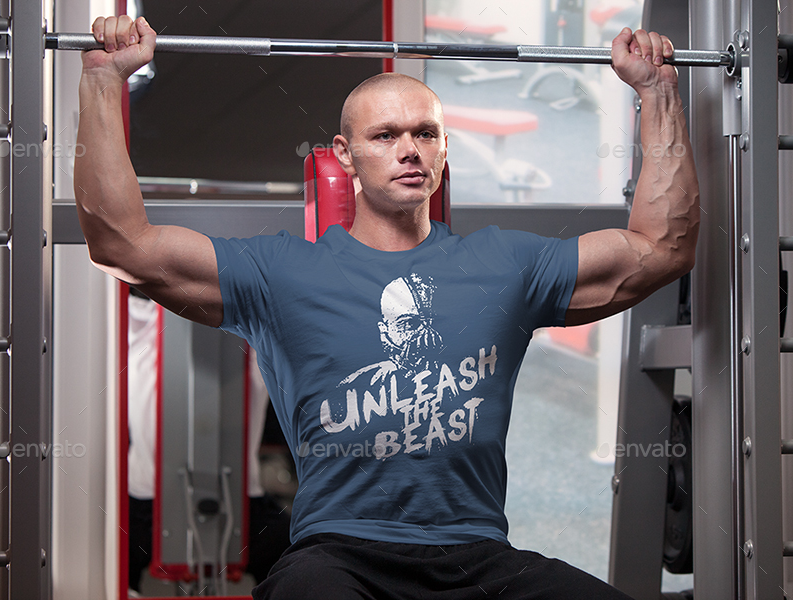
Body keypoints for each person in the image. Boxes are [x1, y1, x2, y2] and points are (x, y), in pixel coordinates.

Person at [75, 14, 698, 599]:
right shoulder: (281, 273)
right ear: (345, 155)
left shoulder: (506, 266)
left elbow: (661, 248)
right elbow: (123, 244)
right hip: (339, 557)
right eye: (386, 135)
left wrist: (658, 90)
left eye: (425, 133)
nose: (410, 149)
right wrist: (104, 81)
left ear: (445, 150)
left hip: (478, 557)